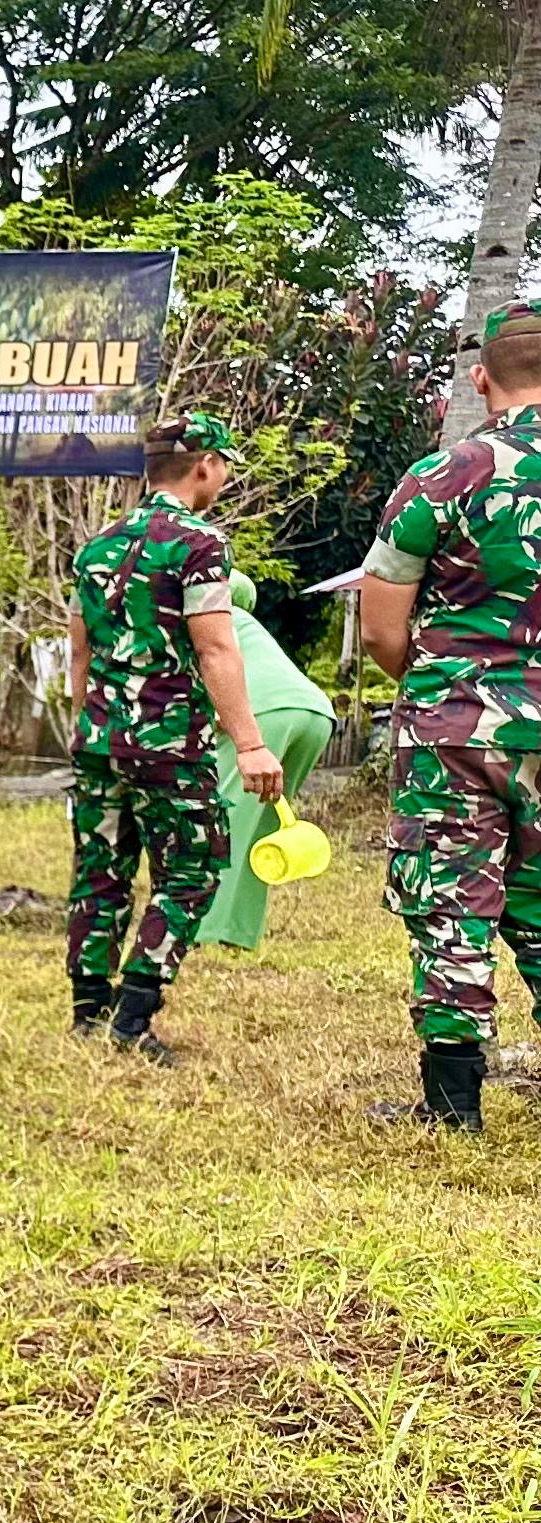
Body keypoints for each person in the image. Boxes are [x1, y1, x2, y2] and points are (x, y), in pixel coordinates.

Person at [357, 307, 541, 1131]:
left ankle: (454, 1108)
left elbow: (380, 628)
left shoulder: (441, 477)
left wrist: (442, 690)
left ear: (482, 379)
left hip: (455, 728)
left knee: (451, 906)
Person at [65, 410, 283, 1064]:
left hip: (100, 739)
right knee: (189, 869)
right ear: (205, 466)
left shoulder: (96, 545)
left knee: (100, 870)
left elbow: (78, 653)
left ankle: (87, 1013)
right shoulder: (199, 544)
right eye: (224, 467)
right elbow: (216, 648)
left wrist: (89, 726)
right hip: (168, 744)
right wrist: (249, 743)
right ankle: (134, 1017)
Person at [192, 569, 333, 959]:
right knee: (257, 829)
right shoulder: (246, 621)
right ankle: (237, 931)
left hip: (263, 715)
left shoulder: (200, 618)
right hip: (314, 713)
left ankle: (206, 930)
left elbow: (211, 673)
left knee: (221, 824)